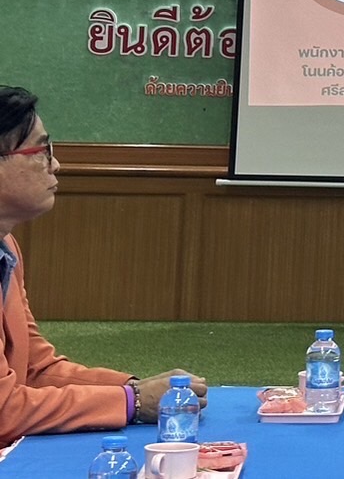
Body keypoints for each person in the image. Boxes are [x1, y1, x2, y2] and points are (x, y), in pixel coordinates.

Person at [0, 86, 209, 445]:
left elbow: (35, 368)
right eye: (42, 151)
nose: (56, 165)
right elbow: (4, 411)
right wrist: (134, 401)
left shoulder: (7, 246)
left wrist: (133, 388)